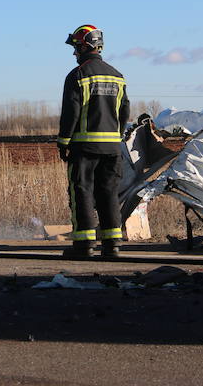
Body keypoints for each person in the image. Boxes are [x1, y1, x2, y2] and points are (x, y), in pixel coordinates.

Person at [57, 24, 130, 259]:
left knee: (83, 192)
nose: (74, 53)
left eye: (76, 47)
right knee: (108, 192)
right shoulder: (117, 76)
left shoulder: (78, 75)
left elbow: (71, 112)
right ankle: (112, 245)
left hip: (84, 147)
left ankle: (84, 245)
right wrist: (116, 136)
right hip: (112, 148)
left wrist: (64, 141)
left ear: (85, 46)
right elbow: (124, 111)